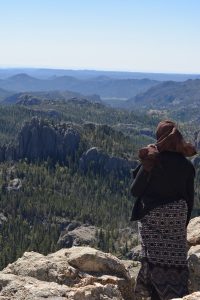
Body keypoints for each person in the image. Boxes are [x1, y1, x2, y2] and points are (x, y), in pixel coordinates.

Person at [130, 120, 196, 300]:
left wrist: (146, 165)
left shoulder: (152, 161)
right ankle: (175, 291)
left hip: (153, 217)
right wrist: (181, 227)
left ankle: (152, 290)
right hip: (177, 218)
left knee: (152, 258)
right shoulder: (187, 166)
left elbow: (135, 191)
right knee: (174, 256)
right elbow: (189, 200)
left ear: (160, 138)